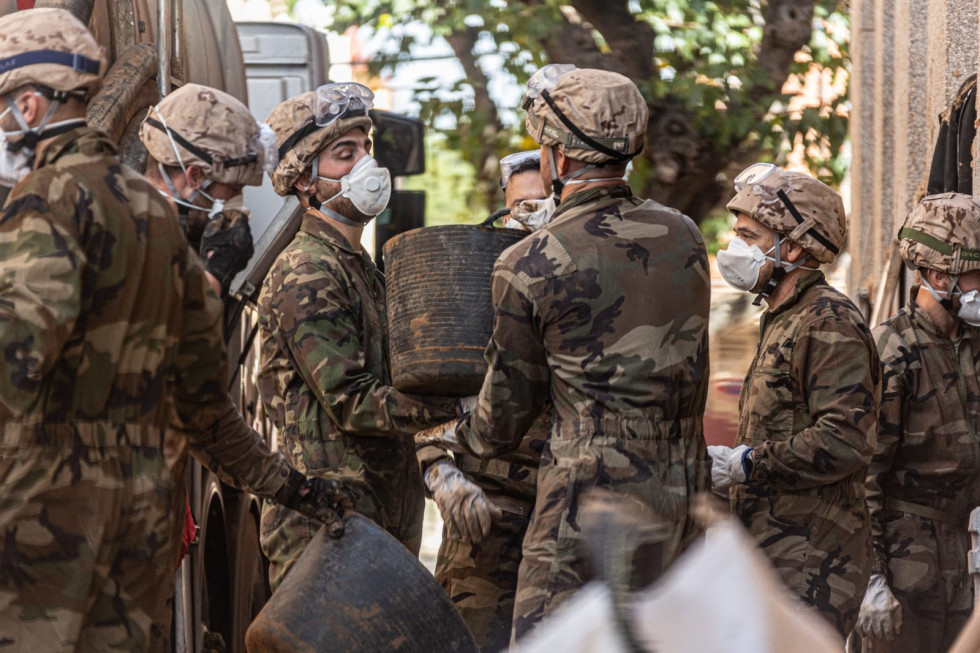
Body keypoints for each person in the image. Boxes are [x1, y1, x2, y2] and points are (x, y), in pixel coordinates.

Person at [0, 9, 350, 649]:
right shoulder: (157, 222)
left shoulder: (49, 198)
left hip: (46, 531)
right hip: (140, 537)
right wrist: (292, 487)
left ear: (27, 104)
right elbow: (203, 404)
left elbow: (16, 356)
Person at [416, 64, 711, 643]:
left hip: (585, 503)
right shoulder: (684, 236)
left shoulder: (529, 261)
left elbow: (502, 422)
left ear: (558, 157)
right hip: (682, 495)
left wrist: (443, 443)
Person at [256, 83, 462, 589]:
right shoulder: (307, 270)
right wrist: (456, 409)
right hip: (327, 527)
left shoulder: (361, 268)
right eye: (344, 154)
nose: (366, 165)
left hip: (375, 521)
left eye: (366, 149)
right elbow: (352, 401)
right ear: (306, 178)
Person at [707, 163, 879, 636]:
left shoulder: (827, 320)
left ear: (794, 245)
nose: (735, 246)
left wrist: (746, 465)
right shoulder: (784, 316)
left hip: (812, 560)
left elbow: (846, 438)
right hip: (774, 551)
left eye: (749, 235)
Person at [417, 150, 549, 652]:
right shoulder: (471, 286)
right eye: (519, 207)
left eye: (542, 203)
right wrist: (438, 472)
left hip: (563, 517)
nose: (527, 217)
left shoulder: (592, 288)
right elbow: (423, 394)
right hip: (485, 518)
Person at [855, 192, 980, 652]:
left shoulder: (975, 344)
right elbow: (864, 476)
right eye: (976, 274)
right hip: (908, 566)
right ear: (936, 275)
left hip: (970, 554)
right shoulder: (890, 349)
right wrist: (872, 579)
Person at [139, 82, 270, 296]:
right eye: (233, 189)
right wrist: (216, 275)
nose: (237, 200)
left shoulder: (167, 231)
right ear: (195, 176)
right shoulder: (132, 234)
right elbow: (169, 321)